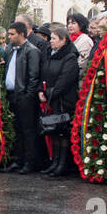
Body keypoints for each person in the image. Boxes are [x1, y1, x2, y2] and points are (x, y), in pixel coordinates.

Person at [2, 21, 43, 174]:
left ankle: (29, 162)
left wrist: (28, 96)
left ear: (21, 34)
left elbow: (34, 76)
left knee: (28, 131)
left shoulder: (31, 51)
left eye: (12, 34)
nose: (9, 37)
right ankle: (17, 160)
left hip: (24, 97)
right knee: (16, 129)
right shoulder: (11, 49)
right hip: (12, 95)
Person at [39, 26, 79, 176]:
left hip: (63, 100)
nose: (51, 42)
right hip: (50, 99)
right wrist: (41, 91)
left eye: (54, 39)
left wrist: (49, 92)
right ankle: (54, 161)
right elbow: (43, 73)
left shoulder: (70, 57)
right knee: (53, 130)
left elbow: (65, 81)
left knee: (62, 131)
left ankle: (62, 163)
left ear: (63, 40)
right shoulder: (50, 54)